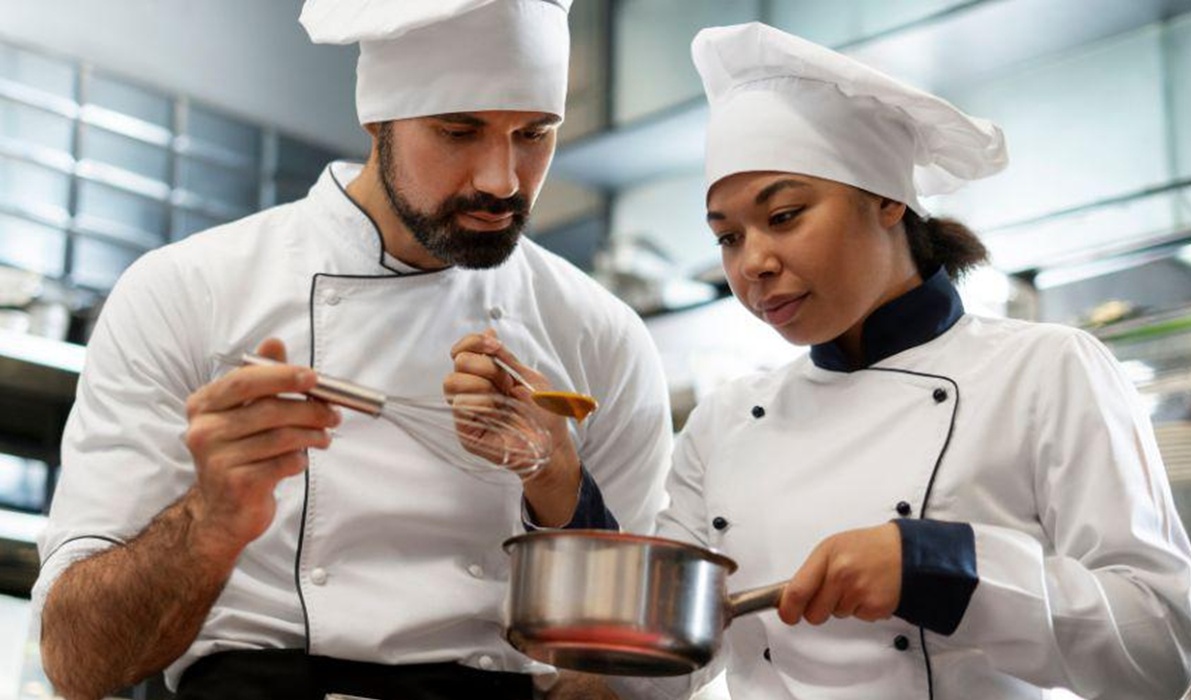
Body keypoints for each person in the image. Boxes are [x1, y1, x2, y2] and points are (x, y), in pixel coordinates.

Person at [32, 2, 672, 699]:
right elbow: (78, 664)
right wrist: (209, 520)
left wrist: (561, 483)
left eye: (533, 134)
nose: (502, 180)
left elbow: (635, 675)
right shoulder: (188, 290)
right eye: (458, 131)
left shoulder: (600, 336)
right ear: (378, 119)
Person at [626, 22, 1191, 700]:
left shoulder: (1044, 369)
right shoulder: (724, 421)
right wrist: (561, 492)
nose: (753, 263)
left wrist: (942, 566)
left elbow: (1161, 648)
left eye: (784, 215)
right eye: (727, 237)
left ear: (887, 198)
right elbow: (659, 657)